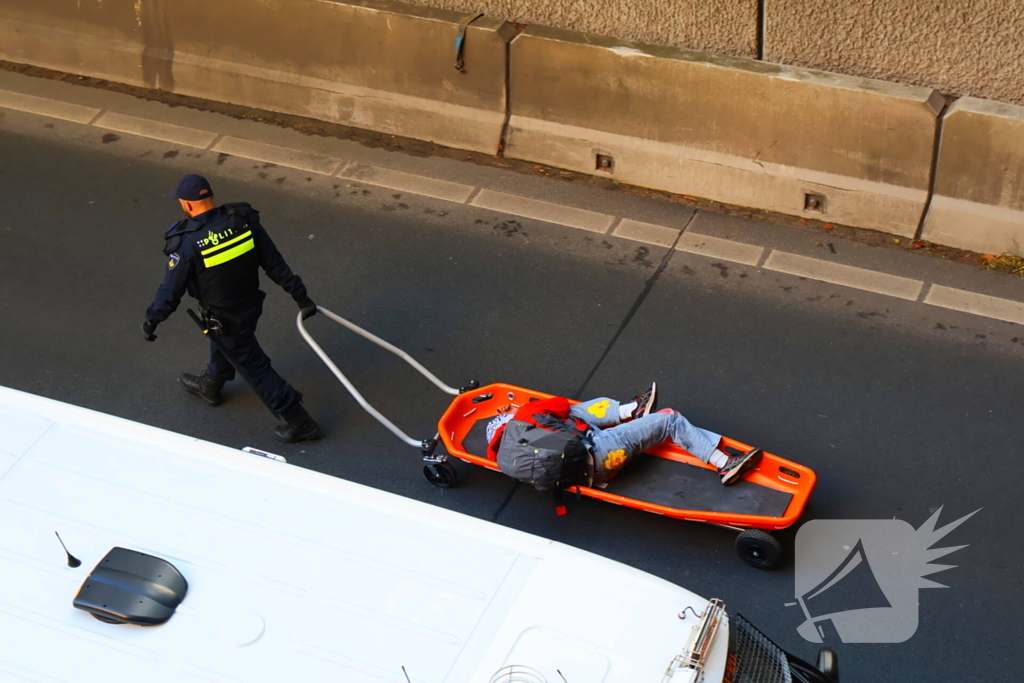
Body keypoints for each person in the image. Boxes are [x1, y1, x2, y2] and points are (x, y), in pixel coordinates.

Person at [142, 174, 321, 443]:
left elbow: (171, 291)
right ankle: (210, 385)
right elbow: (274, 263)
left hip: (224, 314)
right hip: (251, 304)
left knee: (255, 367)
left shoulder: (187, 242)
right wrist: (301, 297)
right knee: (227, 341)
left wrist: (152, 320)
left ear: (187, 205)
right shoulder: (243, 221)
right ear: (210, 197)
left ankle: (300, 422)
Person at [486, 383, 762, 487]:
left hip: (587, 475)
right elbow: (559, 404)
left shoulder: (502, 455)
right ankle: (724, 464)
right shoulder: (523, 417)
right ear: (508, 420)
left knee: (572, 417)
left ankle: (633, 411)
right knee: (670, 419)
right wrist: (524, 408)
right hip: (604, 450)